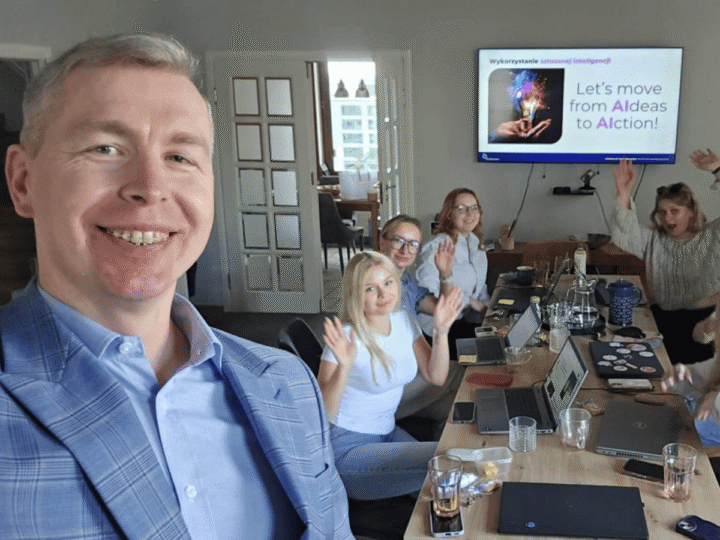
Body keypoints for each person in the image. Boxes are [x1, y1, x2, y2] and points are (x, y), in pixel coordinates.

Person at [0, 34, 352, 540]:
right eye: (105, 148)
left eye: (180, 157)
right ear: (23, 182)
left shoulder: (287, 383)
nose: (150, 186)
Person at [318, 251, 462, 500]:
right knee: (448, 463)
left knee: (445, 488)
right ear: (355, 294)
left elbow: (436, 376)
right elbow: (323, 414)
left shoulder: (403, 320)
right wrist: (344, 367)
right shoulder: (346, 337)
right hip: (349, 449)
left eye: (387, 282)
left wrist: (441, 331)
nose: (383, 294)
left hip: (388, 432)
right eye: (370, 289)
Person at [612, 152, 720, 364]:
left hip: (704, 325)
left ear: (691, 211)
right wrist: (623, 192)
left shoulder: (712, 236)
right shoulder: (655, 240)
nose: (667, 218)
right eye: (662, 212)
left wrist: (718, 170)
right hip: (663, 322)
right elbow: (623, 233)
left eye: (674, 211)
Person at [378, 214, 464, 427]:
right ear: (382, 241)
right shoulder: (374, 284)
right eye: (398, 241)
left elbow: (441, 308)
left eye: (413, 244)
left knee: (458, 409)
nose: (405, 250)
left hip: (412, 369)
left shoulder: (404, 281)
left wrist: (445, 273)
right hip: (389, 384)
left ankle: (435, 443)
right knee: (461, 375)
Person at [416, 187, 490, 356]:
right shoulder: (438, 246)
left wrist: (491, 309)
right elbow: (427, 294)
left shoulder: (475, 243)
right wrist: (471, 302)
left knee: (499, 343)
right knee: (482, 356)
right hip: (437, 331)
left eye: (474, 208)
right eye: (462, 209)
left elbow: (480, 287)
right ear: (449, 214)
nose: (470, 214)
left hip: (463, 320)